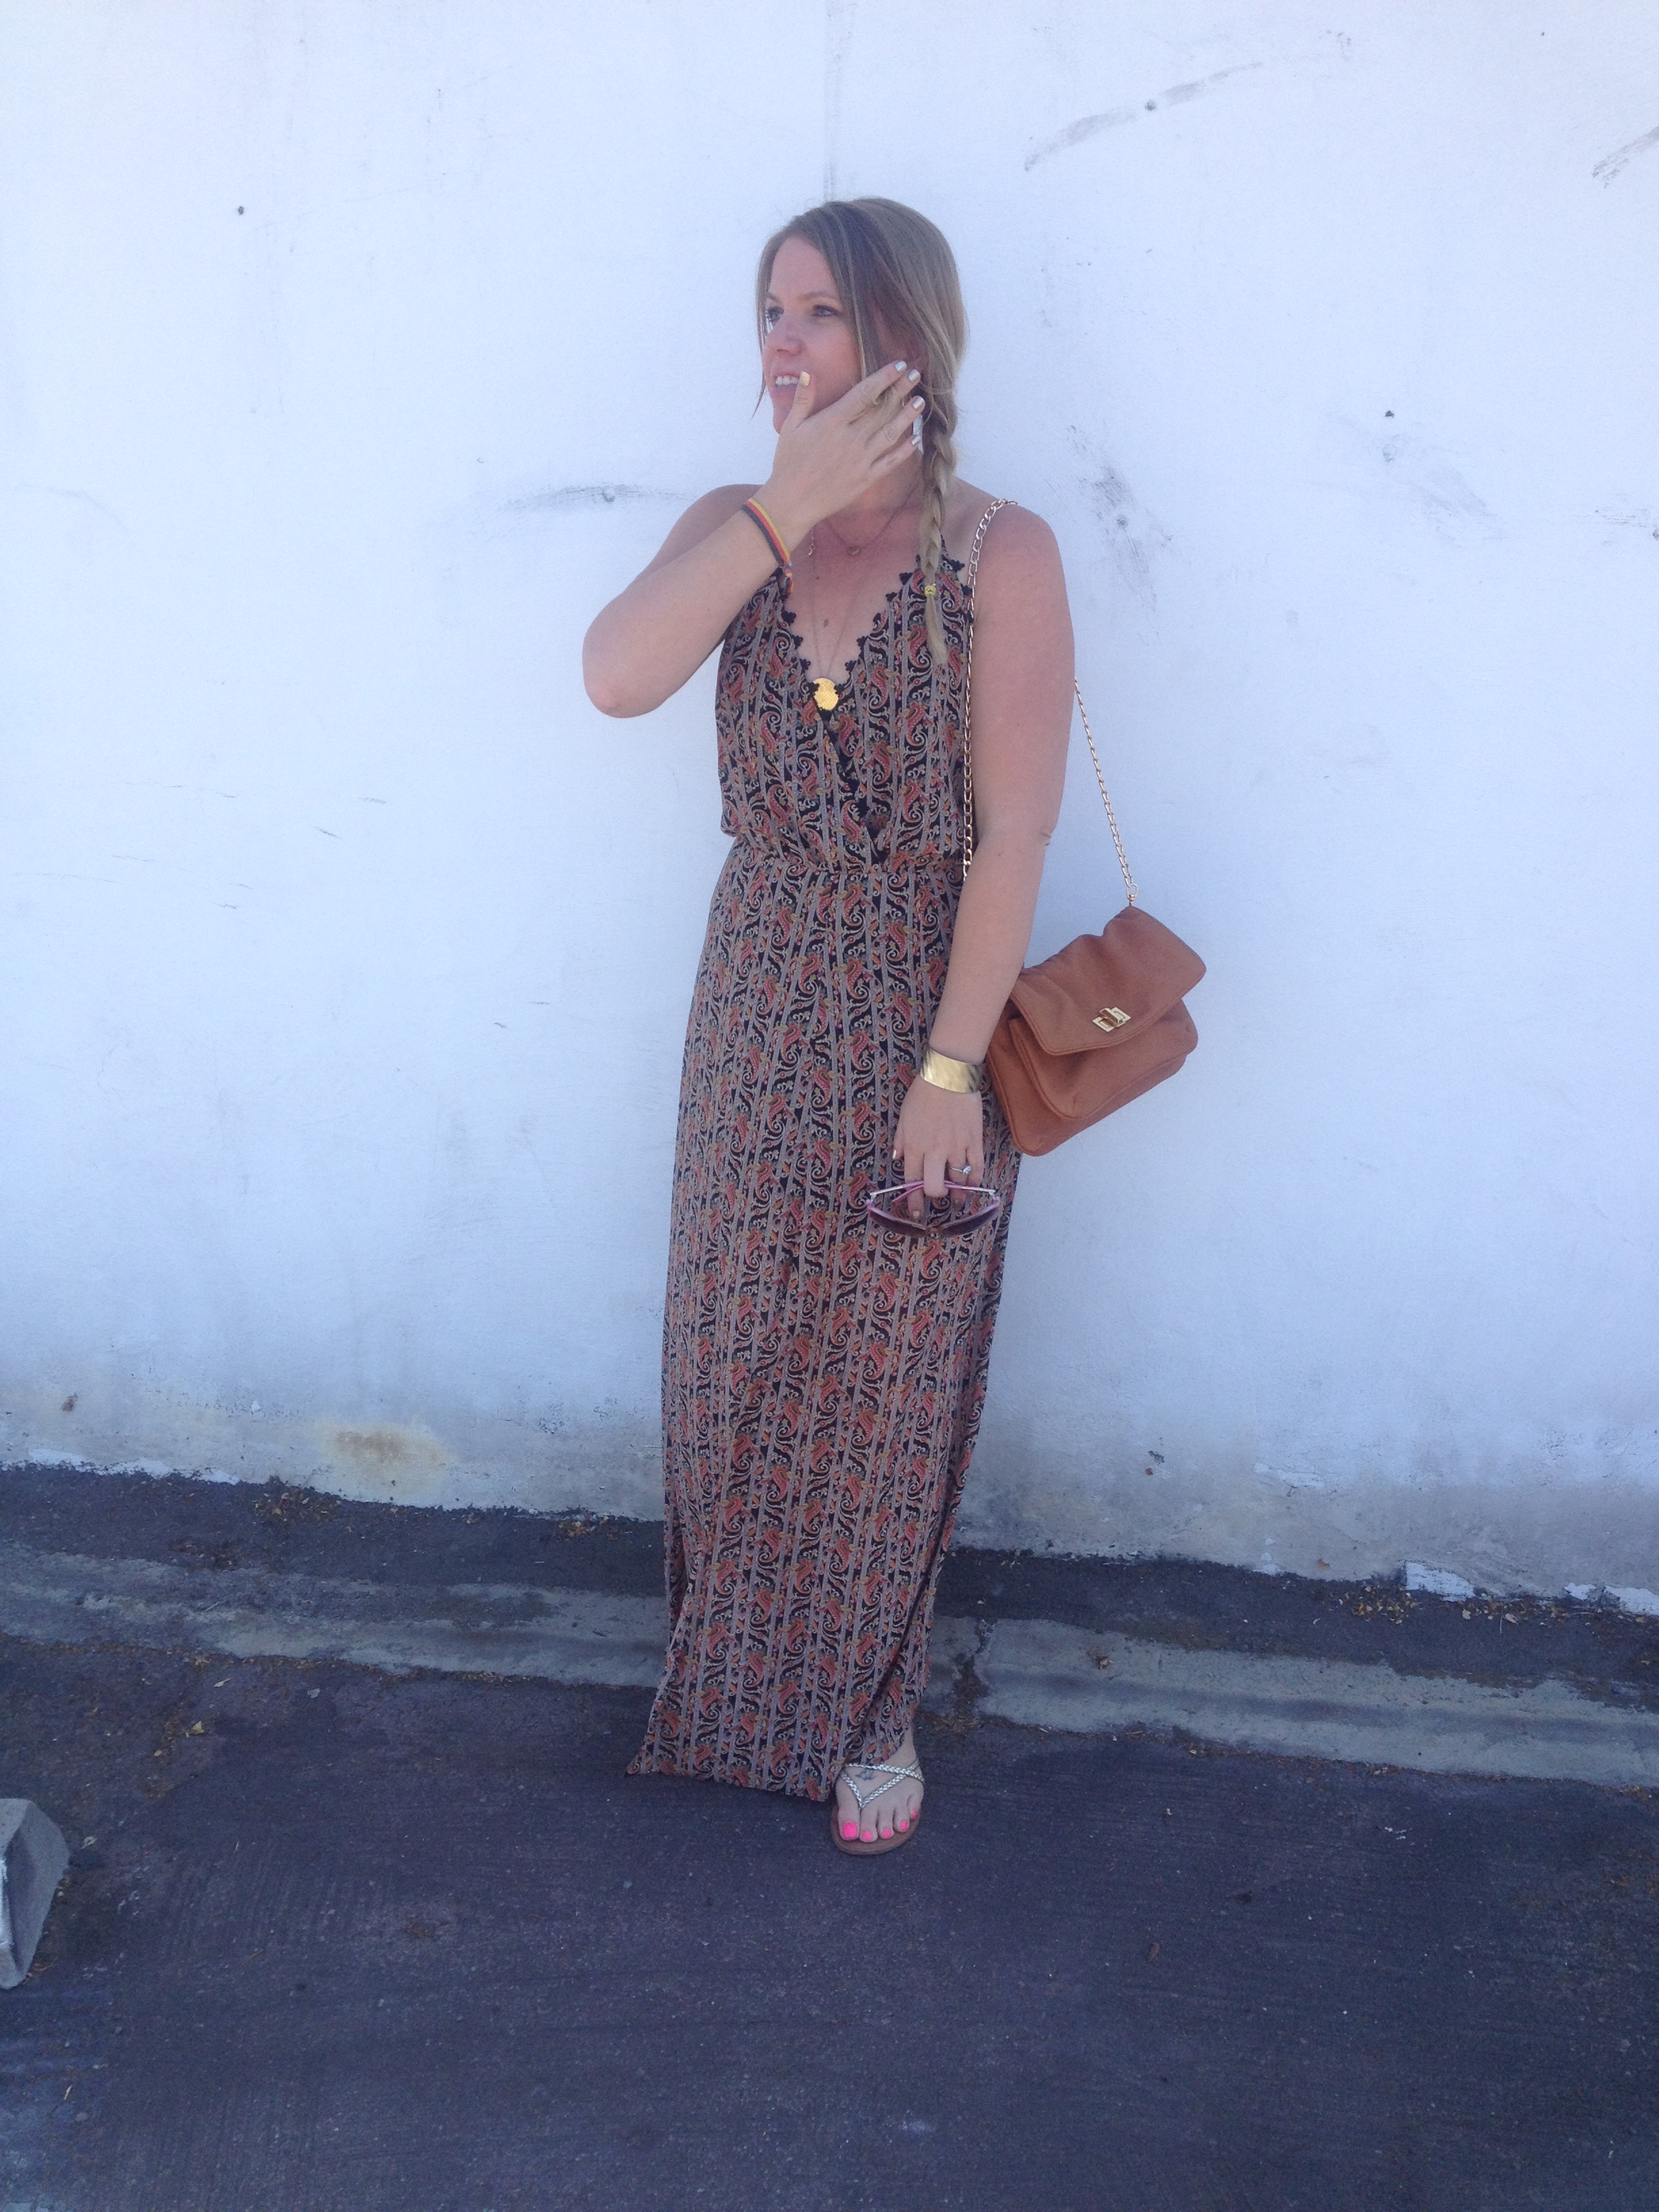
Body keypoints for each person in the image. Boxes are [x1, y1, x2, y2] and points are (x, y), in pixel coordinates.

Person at [583, 197, 1073, 1854]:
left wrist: (951, 1071)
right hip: (760, 988)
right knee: (729, 1356)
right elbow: (616, 675)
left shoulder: (1001, 551)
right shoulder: (735, 523)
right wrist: (781, 507)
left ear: (904, 339)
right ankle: (730, 1685)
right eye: (770, 310)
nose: (783, 343)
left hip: (927, 996)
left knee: (887, 1380)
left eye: (820, 312)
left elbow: (1013, 838)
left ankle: (874, 1712)